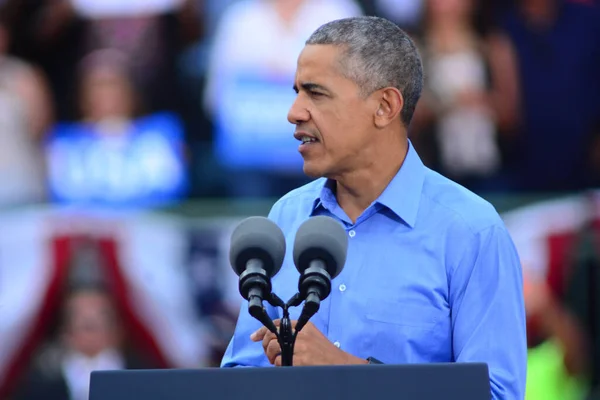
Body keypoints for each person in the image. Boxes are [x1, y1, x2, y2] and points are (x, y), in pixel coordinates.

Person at [220, 16, 526, 399]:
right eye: (296, 92)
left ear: (384, 106)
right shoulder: (285, 217)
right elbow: (239, 377)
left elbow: (495, 394)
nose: (294, 112)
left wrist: (342, 368)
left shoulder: (471, 231)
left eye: (315, 93)